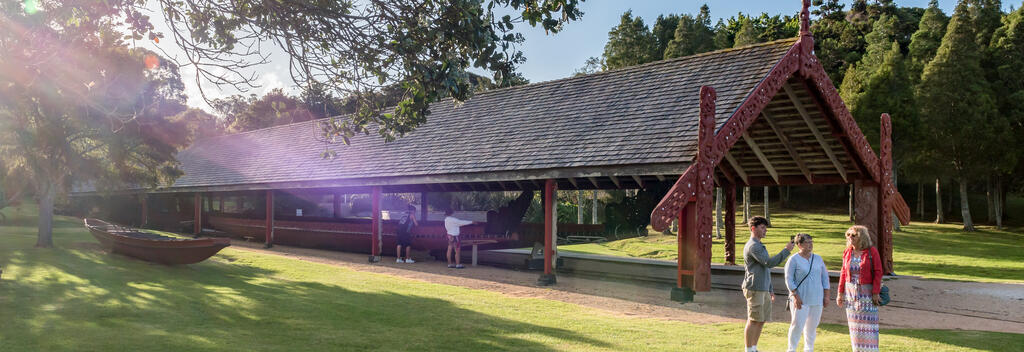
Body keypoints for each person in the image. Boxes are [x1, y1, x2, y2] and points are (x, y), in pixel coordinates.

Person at [743, 216, 795, 352]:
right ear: (753, 229)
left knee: (761, 319)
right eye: (762, 227)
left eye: (765, 227)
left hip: (763, 288)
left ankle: (754, 348)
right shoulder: (753, 246)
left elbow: (764, 269)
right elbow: (769, 263)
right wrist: (786, 250)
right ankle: (748, 349)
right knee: (753, 319)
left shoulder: (759, 245)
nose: (765, 230)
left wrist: (770, 289)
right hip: (754, 288)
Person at [837, 225, 883, 351]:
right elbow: (843, 273)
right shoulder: (847, 252)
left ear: (861, 237)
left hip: (867, 293)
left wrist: (875, 292)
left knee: (869, 326)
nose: (850, 237)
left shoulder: (871, 251)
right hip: (850, 293)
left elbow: (878, 272)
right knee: (854, 327)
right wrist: (840, 293)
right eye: (848, 235)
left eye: (853, 235)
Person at [784, 233, 830, 352]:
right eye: (807, 242)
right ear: (799, 245)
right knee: (797, 326)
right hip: (800, 299)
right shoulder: (793, 260)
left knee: (812, 327)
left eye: (811, 241)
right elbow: (788, 279)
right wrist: (795, 296)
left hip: (816, 299)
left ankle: (809, 349)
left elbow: (825, 278)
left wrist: (826, 296)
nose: (810, 244)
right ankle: (791, 349)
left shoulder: (818, 258)